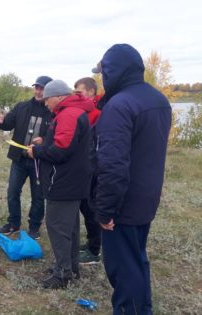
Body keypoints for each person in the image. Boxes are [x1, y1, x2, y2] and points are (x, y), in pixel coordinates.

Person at [94, 43, 171, 314]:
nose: (101, 78)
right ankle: (142, 308)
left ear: (113, 72)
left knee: (124, 270)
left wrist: (104, 211)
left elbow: (113, 166)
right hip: (146, 197)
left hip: (123, 205)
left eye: (103, 73)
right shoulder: (158, 99)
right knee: (137, 260)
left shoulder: (119, 105)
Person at [27, 80, 93, 289]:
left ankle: (62, 273)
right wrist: (45, 142)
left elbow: (61, 151)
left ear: (58, 96)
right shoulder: (73, 112)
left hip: (63, 181)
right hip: (73, 180)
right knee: (70, 227)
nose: (45, 102)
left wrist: (37, 151)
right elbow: (62, 143)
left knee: (57, 227)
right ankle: (71, 267)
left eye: (47, 98)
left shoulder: (69, 114)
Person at [0, 75, 53, 239]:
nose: (39, 91)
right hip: (19, 159)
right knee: (12, 192)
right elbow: (8, 124)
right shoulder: (22, 106)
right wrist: (0, 122)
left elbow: (57, 135)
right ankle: (13, 223)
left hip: (40, 161)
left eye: (42, 88)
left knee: (38, 196)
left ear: (49, 90)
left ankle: (34, 227)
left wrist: (45, 140)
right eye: (37, 87)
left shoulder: (53, 111)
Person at [72, 77, 103, 265]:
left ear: (91, 91)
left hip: (92, 168)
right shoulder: (82, 111)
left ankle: (94, 250)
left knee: (91, 208)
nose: (76, 95)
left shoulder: (97, 113)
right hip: (82, 167)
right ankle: (91, 243)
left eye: (80, 91)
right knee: (84, 206)